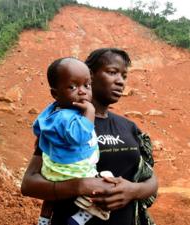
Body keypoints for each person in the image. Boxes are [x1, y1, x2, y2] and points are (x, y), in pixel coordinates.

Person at [21, 48, 158, 225]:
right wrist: (79, 186)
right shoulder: (62, 126)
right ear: (90, 76)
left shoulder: (129, 127)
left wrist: (133, 190)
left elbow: (151, 180)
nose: (120, 81)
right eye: (112, 72)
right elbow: (29, 184)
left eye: (124, 76)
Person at [34, 57, 112, 225]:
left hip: (53, 172)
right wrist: (90, 112)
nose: (82, 91)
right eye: (73, 86)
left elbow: (37, 127)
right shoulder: (66, 117)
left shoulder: (53, 111)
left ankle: (44, 219)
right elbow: (80, 136)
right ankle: (81, 217)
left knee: (50, 199)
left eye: (87, 85)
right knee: (107, 184)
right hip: (75, 173)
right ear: (55, 93)